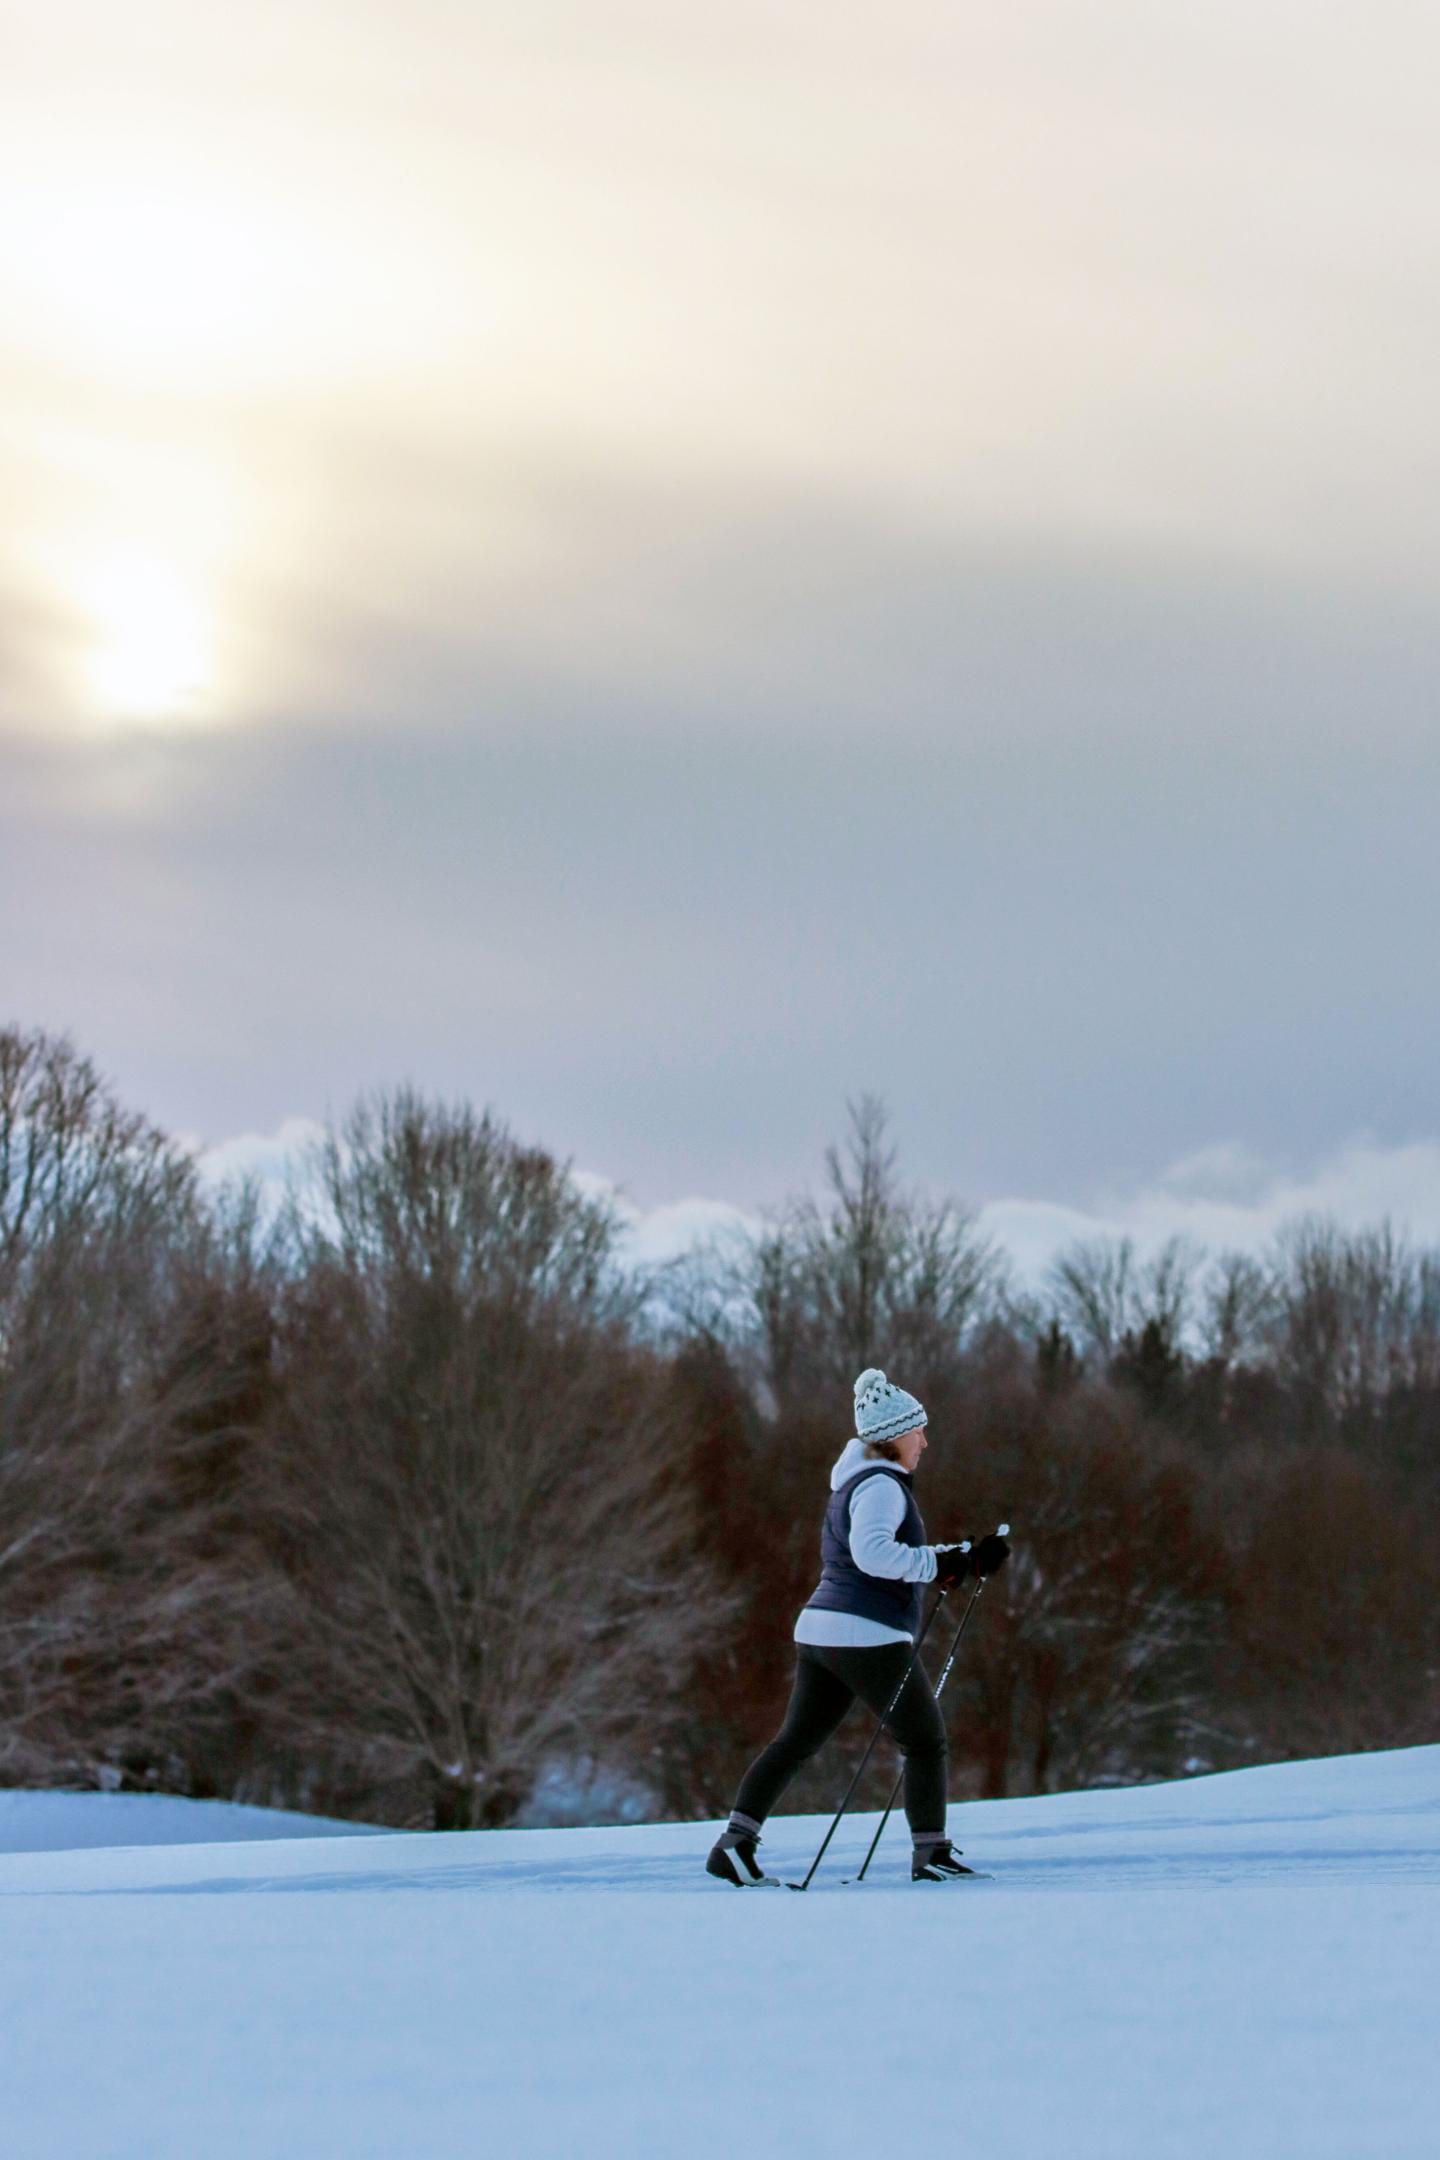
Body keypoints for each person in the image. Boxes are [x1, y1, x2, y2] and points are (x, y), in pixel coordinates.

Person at [706, 1366, 1009, 1886]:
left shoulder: (854, 1484)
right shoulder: (884, 1485)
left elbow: (881, 1555)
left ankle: (734, 1845)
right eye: (919, 1432)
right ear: (894, 1438)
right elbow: (874, 1555)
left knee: (794, 1743)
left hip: (823, 1630)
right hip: (865, 1631)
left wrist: (958, 1558)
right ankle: (931, 1853)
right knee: (924, 1739)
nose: (925, 1443)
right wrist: (938, 1565)